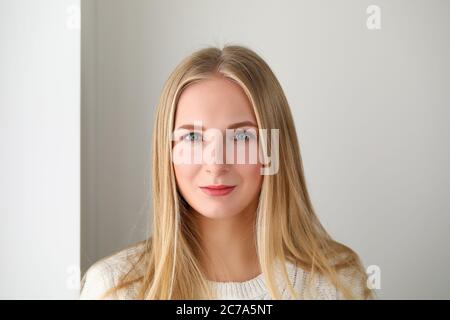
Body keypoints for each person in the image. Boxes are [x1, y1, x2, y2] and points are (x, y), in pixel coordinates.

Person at [80, 45, 374, 300]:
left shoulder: (338, 283)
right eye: (192, 138)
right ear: (167, 152)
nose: (216, 163)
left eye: (242, 137)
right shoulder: (114, 288)